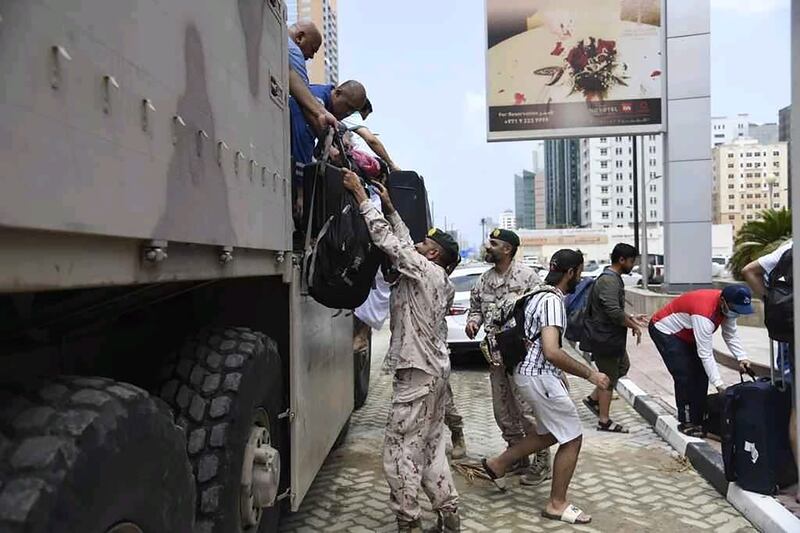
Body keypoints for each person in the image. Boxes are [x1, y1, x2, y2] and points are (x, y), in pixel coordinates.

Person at [341, 170, 461, 532]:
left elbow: (389, 243)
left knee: (400, 450)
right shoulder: (439, 279)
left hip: (416, 376)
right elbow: (406, 242)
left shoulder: (422, 270)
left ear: (434, 253)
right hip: (436, 374)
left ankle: (408, 521)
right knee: (432, 445)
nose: (419, 244)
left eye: (426, 243)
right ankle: (448, 511)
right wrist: (392, 208)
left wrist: (362, 197)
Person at [482, 249, 610, 525]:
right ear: (571, 273)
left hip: (526, 375)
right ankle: (557, 503)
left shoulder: (537, 293)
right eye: (579, 271)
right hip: (540, 377)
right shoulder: (552, 301)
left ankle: (498, 464)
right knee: (572, 438)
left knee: (550, 433)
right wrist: (592, 376)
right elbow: (552, 351)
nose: (579, 276)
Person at [464, 229, 551, 485]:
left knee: (529, 411)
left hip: (522, 359)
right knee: (504, 412)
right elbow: (476, 309)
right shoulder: (484, 280)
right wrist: (473, 322)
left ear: (508, 249)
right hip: (496, 359)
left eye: (494, 243)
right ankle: (517, 457)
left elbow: (541, 312)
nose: (487, 246)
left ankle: (542, 462)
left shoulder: (528, 277)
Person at [649, 286, 754, 436]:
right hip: (666, 330)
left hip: (688, 333)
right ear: (723, 301)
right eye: (734, 309)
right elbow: (705, 354)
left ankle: (699, 418)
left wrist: (742, 357)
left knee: (701, 375)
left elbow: (730, 334)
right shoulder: (704, 313)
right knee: (685, 375)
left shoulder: (728, 308)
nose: (736, 314)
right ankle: (686, 421)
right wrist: (719, 385)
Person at [742, 240, 796, 500]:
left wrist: (771, 298)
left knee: (795, 405)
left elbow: (749, 271)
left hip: (790, 335)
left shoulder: (789, 246)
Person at [581, 244, 648, 433]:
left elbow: (613, 309)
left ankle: (594, 399)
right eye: (631, 261)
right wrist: (632, 325)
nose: (632, 265)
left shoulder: (613, 279)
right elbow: (612, 311)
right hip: (605, 337)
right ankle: (604, 421)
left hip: (611, 337)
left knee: (622, 367)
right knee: (608, 378)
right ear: (622, 260)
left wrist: (631, 319)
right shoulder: (609, 281)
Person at [289, 80, 368, 219]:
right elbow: (302, 142)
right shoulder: (316, 102)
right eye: (348, 107)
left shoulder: (323, 101)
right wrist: (301, 193)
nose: (347, 113)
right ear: (337, 93)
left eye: (352, 111)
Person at [287, 21, 336, 134]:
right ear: (300, 37)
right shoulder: (293, 51)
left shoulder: (278, 39)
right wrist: (322, 113)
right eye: (313, 49)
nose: (312, 56)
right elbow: (302, 93)